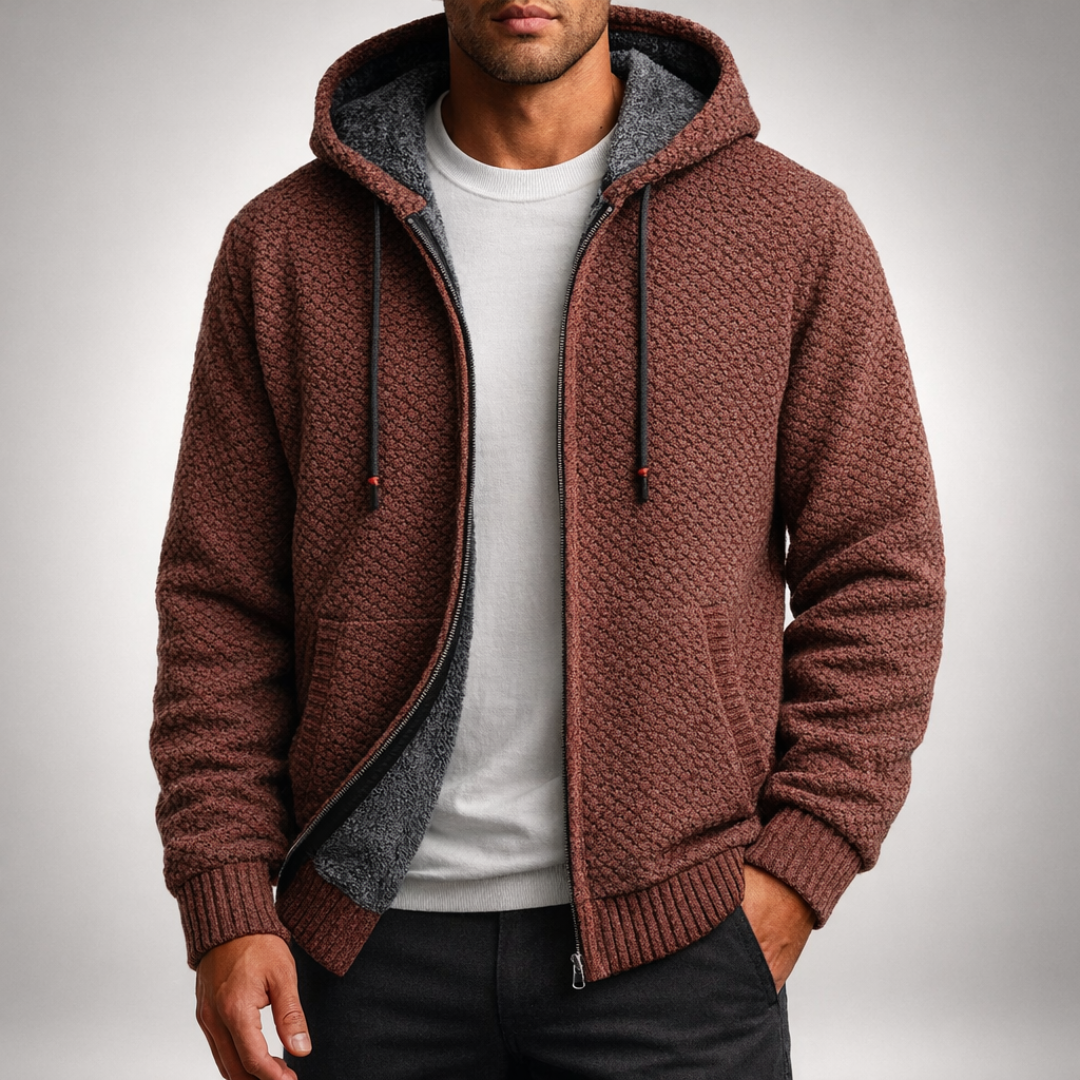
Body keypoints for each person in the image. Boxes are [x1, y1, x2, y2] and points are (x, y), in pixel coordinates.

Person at [151, 3, 945, 1077]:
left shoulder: (789, 229)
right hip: (355, 947)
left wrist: (802, 866)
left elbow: (881, 568)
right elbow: (220, 602)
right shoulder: (286, 245)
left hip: (677, 946)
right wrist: (226, 895)